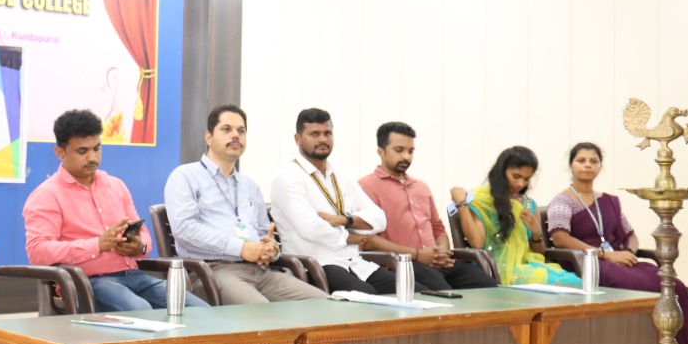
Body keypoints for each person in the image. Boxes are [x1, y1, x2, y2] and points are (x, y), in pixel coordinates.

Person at [24, 108, 208, 311]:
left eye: (97, 149)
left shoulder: (116, 186)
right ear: (60, 153)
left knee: (200, 311)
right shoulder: (47, 195)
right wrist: (96, 245)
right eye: (82, 151)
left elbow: (144, 237)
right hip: (87, 282)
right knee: (141, 312)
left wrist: (138, 247)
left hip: (135, 277)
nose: (92, 158)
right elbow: (37, 251)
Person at [548, 141, 688, 344]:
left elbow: (631, 235)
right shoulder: (563, 200)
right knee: (636, 285)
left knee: (674, 286)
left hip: (621, 260)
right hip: (590, 263)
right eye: (581, 160)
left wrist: (630, 252)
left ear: (600, 167)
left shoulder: (609, 201)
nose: (587, 165)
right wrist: (606, 254)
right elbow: (560, 238)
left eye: (594, 161)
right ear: (571, 165)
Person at [164, 104, 326, 304]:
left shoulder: (250, 186)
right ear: (208, 137)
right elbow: (185, 229)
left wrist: (270, 249)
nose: (235, 135)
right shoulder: (185, 176)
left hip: (260, 271)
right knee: (261, 312)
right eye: (226, 129)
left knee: (325, 305)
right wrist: (241, 248)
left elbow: (263, 232)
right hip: (212, 272)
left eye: (241, 131)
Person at [270, 108, 395, 294]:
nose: (322, 139)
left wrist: (344, 220)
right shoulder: (287, 176)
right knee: (370, 298)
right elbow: (312, 229)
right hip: (316, 267)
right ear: (298, 139)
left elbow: (380, 219)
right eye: (315, 134)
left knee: (410, 290)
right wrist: (349, 237)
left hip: (355, 263)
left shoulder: (341, 175)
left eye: (327, 133)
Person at [359, 122, 495, 292]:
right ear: (381, 151)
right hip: (403, 263)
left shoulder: (421, 187)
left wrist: (441, 252)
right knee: (446, 294)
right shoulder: (366, 187)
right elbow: (367, 240)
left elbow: (438, 229)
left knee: (491, 289)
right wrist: (417, 254)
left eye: (410, 151)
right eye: (399, 150)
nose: (406, 157)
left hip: (440, 263)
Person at [452, 146, 581, 287]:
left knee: (577, 283)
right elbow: (477, 244)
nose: (520, 183)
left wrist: (536, 234)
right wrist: (461, 204)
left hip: (529, 266)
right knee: (571, 283)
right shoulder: (481, 200)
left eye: (526, 179)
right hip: (495, 269)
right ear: (501, 172)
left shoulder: (528, 204)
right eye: (516, 176)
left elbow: (540, 253)